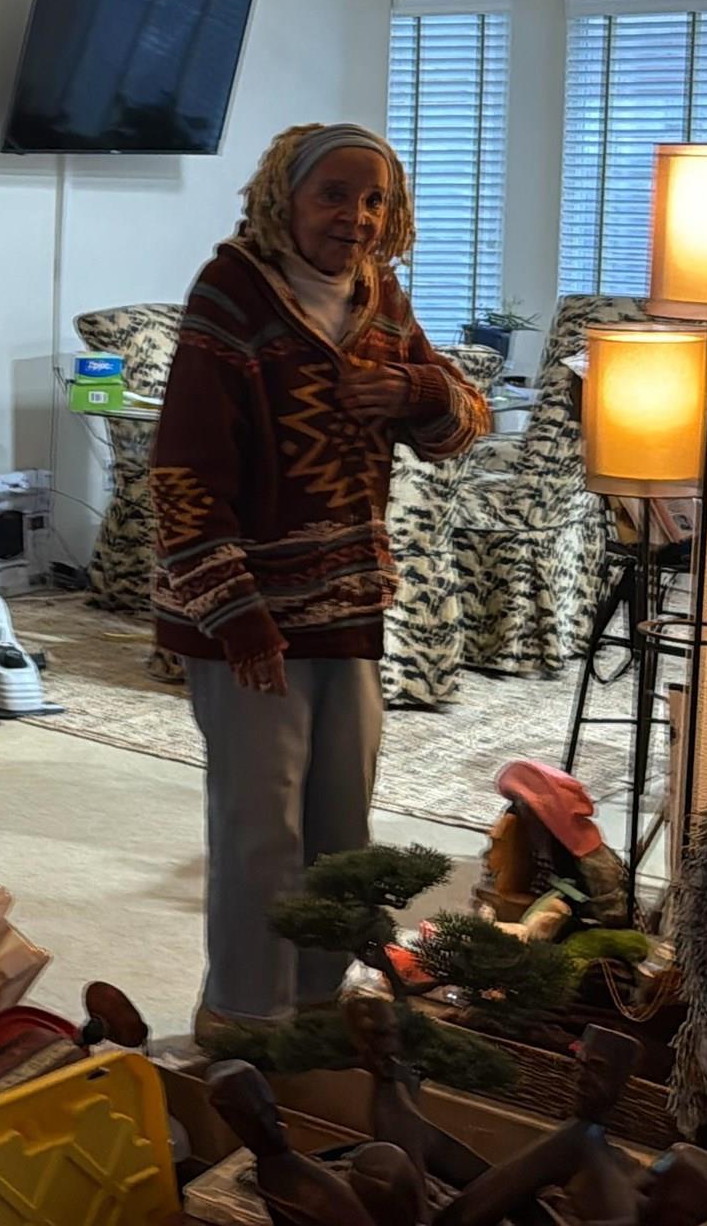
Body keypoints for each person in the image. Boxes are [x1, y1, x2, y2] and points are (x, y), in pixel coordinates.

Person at [149, 122, 488, 1027]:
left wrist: (413, 392)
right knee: (263, 831)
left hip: (348, 606)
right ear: (283, 200)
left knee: (341, 827)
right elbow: (181, 474)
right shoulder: (230, 299)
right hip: (248, 617)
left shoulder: (380, 296)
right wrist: (238, 614)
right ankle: (244, 1021)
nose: (357, 216)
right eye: (333, 194)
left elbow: (462, 426)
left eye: (374, 198)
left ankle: (319, 1005)